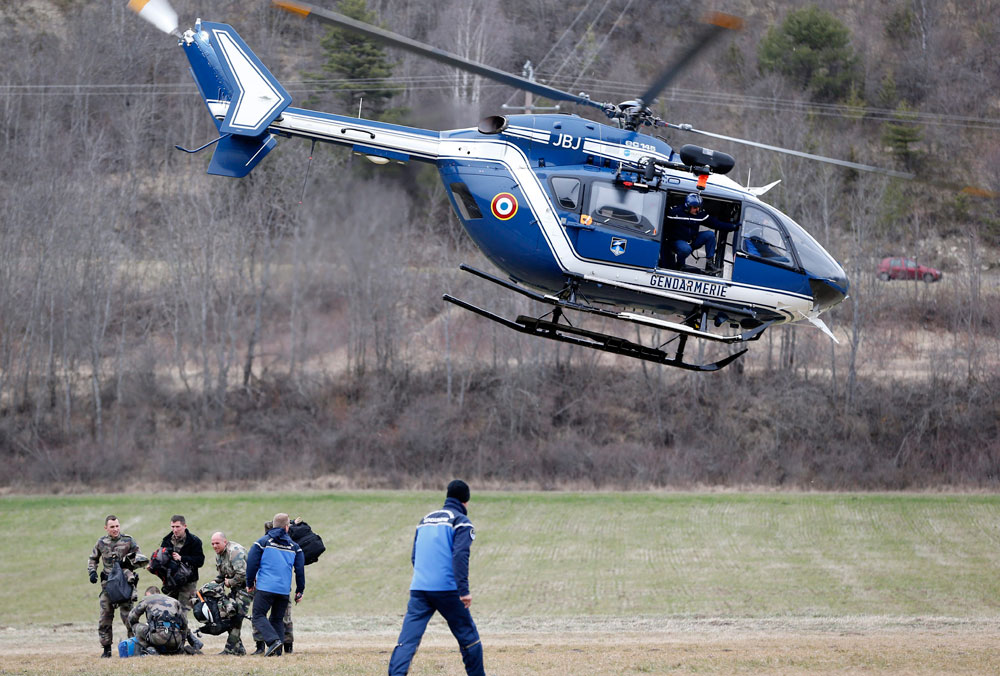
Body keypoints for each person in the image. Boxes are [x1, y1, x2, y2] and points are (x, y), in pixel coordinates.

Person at [388, 480, 484, 676]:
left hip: (419, 589)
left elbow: (415, 556)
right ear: (465, 501)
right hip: (448, 589)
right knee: (469, 637)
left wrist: (425, 578)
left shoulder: (425, 520)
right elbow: (460, 556)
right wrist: (463, 591)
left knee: (407, 640)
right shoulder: (461, 521)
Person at [246, 513, 305, 657]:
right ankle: (277, 651)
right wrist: (300, 590)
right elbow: (300, 570)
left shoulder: (263, 542)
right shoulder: (295, 547)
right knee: (277, 619)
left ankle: (273, 642)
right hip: (283, 590)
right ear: (287, 527)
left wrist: (249, 582)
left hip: (266, 587)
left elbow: (252, 563)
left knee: (258, 615)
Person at [88, 515, 144, 658]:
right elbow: (93, 558)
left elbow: (140, 558)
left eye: (117, 526)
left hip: (124, 585)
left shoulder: (128, 540)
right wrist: (92, 572)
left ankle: (134, 647)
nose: (115, 529)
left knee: (129, 618)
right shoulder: (101, 542)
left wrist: (128, 565)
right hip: (108, 587)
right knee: (105, 618)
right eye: (112, 527)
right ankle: (106, 649)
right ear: (106, 528)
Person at [663, 192, 738, 274]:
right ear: (687, 206)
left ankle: (709, 264)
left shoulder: (700, 214)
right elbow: (664, 226)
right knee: (685, 248)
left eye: (699, 207)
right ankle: (680, 265)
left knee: (710, 235)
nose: (697, 210)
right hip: (677, 242)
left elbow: (716, 224)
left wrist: (733, 227)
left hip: (692, 240)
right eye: (695, 207)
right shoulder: (674, 213)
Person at [127, 585, 204, 655]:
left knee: (135, 626)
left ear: (147, 594)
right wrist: (182, 641)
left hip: (158, 638)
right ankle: (180, 650)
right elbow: (184, 623)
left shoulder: (146, 600)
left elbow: (131, 618)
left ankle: (150, 649)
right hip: (176, 639)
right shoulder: (174, 601)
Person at [210, 531, 252, 655]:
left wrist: (230, 582)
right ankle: (239, 649)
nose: (214, 546)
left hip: (248, 587)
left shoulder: (235, 552)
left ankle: (230, 650)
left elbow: (243, 575)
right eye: (212, 544)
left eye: (217, 543)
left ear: (225, 542)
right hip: (236, 588)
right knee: (228, 614)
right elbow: (223, 575)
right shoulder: (219, 554)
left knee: (237, 617)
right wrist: (214, 582)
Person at [157, 515, 205, 611]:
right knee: (170, 609)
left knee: (183, 610)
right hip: (172, 580)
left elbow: (200, 561)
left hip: (189, 581)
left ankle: (184, 626)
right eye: (173, 527)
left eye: (178, 526)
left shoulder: (194, 541)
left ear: (185, 526)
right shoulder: (166, 541)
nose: (175, 530)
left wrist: (182, 558)